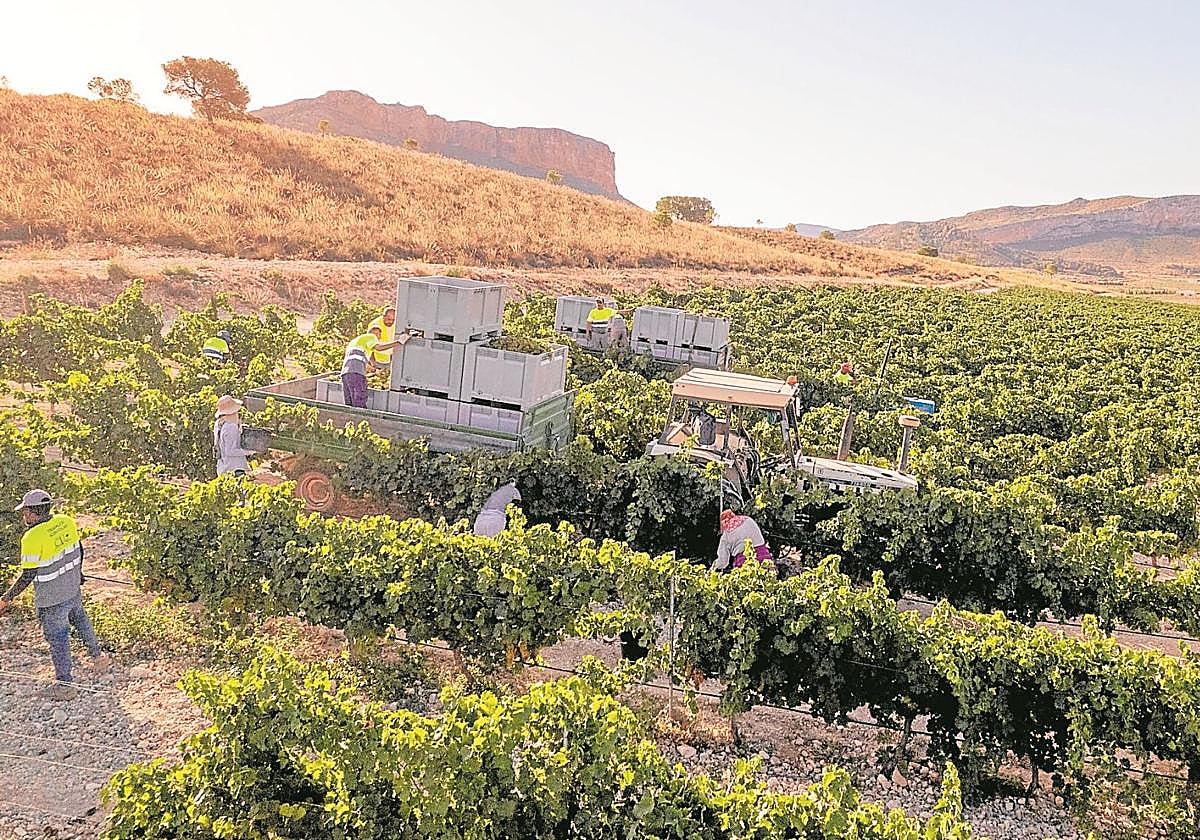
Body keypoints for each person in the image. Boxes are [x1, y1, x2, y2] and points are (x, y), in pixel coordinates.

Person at [0, 489, 110, 700]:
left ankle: (65, 686)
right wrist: (79, 573)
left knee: (58, 639)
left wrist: (6, 598)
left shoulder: (31, 537)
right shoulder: (65, 521)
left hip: (52, 598)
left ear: (31, 513)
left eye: (25, 512)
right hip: (71, 587)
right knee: (81, 620)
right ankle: (98, 658)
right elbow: (79, 549)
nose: (24, 516)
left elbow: (28, 574)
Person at [341, 325, 403, 409]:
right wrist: (399, 342)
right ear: (373, 333)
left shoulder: (356, 341)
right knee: (359, 399)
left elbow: (368, 358)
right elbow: (379, 348)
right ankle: (361, 419)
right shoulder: (371, 336)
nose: (379, 338)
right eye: (378, 335)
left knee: (349, 401)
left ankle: (351, 420)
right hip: (357, 372)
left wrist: (374, 366)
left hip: (345, 373)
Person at [213, 394, 257, 477]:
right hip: (234, 469)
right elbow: (230, 451)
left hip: (223, 466)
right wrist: (250, 452)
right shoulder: (230, 427)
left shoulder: (219, 423)